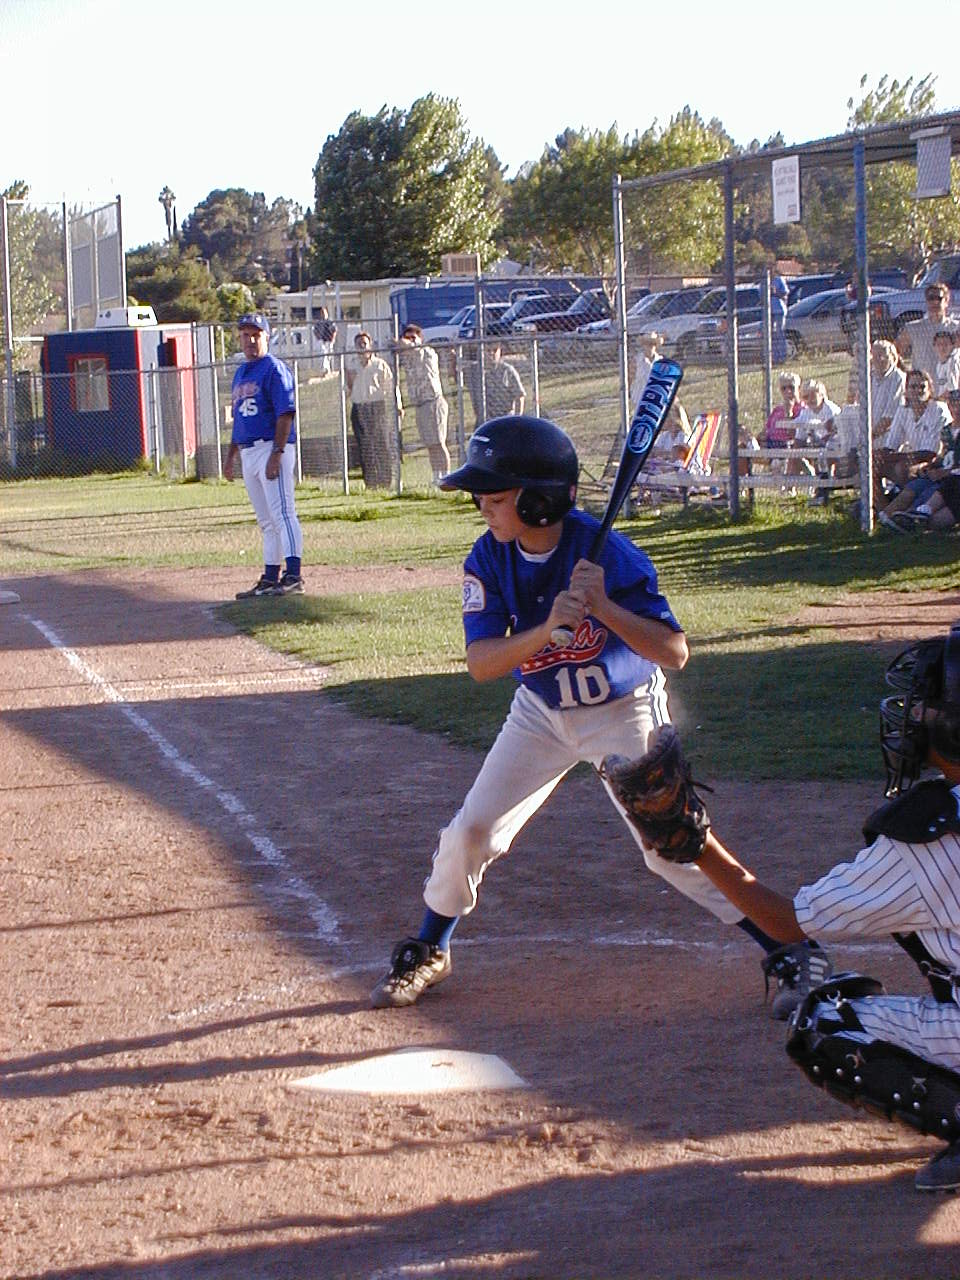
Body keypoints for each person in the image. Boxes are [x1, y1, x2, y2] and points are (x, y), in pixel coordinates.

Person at [368, 415, 828, 1011]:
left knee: (671, 844)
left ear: (537, 502)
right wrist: (546, 630)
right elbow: (482, 663)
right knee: (471, 831)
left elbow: (674, 652)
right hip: (540, 712)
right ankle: (431, 946)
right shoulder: (487, 558)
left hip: (623, 708)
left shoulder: (610, 555)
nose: (482, 506)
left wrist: (604, 606)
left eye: (496, 497)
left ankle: (791, 949)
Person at [687, 623, 960, 1192]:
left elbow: (788, 924)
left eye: (924, 707)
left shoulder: (928, 843)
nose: (910, 717)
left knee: (825, 1020)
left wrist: (696, 844)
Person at [224, 313, 305, 598]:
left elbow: (285, 414)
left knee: (283, 514)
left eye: (256, 335)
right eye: (245, 335)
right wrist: (231, 455)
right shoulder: (240, 373)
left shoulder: (274, 368)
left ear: (267, 337)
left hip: (272, 447)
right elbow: (239, 419)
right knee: (267, 521)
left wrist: (277, 453)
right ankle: (270, 577)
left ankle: (293, 576)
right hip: (249, 451)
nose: (250, 340)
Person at [875, 369, 951, 498]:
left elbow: (930, 453)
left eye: (922, 387)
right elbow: (891, 445)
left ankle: (907, 502)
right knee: (872, 465)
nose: (918, 390)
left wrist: (892, 457)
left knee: (902, 468)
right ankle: (880, 506)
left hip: (936, 463)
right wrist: (878, 456)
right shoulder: (903, 410)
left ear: (930, 390)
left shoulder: (939, 410)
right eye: (913, 387)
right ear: (906, 390)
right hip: (912, 458)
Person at [346, 330, 402, 489]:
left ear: (370, 346)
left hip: (377, 406)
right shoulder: (351, 365)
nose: (362, 347)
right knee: (365, 446)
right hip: (359, 407)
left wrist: (398, 405)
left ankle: (386, 481)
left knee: (381, 443)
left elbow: (391, 386)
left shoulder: (380, 365)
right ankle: (370, 482)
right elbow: (347, 389)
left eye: (364, 343)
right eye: (358, 344)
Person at [395, 323, 451, 481]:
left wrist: (402, 342)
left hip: (433, 401)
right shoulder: (407, 357)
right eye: (407, 337)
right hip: (419, 405)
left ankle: (447, 477)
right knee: (430, 444)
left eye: (413, 337)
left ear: (420, 338)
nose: (410, 341)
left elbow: (411, 347)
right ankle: (437, 477)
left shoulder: (427, 352)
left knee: (439, 442)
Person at [897, 284, 959, 384]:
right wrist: (907, 374)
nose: (934, 302)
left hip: (950, 386)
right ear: (926, 301)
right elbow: (894, 352)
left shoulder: (956, 328)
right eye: (931, 298)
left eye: (938, 298)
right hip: (922, 387)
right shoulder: (913, 328)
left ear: (946, 301)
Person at [467, 341, 525, 423]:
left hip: (505, 419)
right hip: (482, 421)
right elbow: (455, 374)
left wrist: (517, 420)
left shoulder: (507, 370)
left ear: (500, 351)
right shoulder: (474, 371)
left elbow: (520, 395)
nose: (491, 353)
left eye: (495, 350)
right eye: (488, 350)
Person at [870, 339, 906, 437]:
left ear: (892, 357)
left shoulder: (898, 378)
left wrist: (872, 436)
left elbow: (890, 415)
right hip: (870, 434)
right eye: (874, 356)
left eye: (882, 355)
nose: (878, 359)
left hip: (888, 435)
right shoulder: (870, 377)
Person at [630, 332, 662, 412]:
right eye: (647, 344)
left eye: (652, 344)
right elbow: (629, 379)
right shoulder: (636, 361)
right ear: (643, 345)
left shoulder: (661, 361)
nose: (649, 347)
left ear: (655, 346)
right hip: (639, 399)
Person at [933, 329, 960, 397]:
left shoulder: (953, 362)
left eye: (946, 344)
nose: (942, 347)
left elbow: (952, 390)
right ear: (934, 347)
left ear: (952, 345)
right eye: (939, 344)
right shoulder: (939, 364)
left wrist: (936, 400)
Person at [312, 306, 337, 377]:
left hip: (329, 340)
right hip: (322, 340)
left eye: (324, 313)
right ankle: (325, 369)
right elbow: (315, 330)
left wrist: (333, 338)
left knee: (329, 354)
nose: (323, 314)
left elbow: (334, 330)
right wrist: (318, 337)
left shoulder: (330, 321)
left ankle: (330, 369)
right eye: (322, 313)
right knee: (323, 354)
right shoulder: (319, 322)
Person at [770, 275, 789, 365]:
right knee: (770, 334)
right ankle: (772, 357)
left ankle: (782, 357)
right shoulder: (762, 282)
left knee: (779, 332)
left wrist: (775, 292)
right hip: (768, 311)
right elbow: (761, 296)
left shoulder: (779, 280)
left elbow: (785, 293)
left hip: (779, 310)